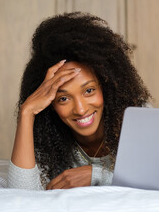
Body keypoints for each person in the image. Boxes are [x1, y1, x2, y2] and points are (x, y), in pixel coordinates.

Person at [8, 12, 151, 190]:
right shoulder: (46, 132)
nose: (81, 109)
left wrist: (96, 175)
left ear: (106, 87)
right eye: (63, 98)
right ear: (49, 103)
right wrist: (27, 112)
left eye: (89, 90)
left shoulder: (137, 116)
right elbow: (21, 192)